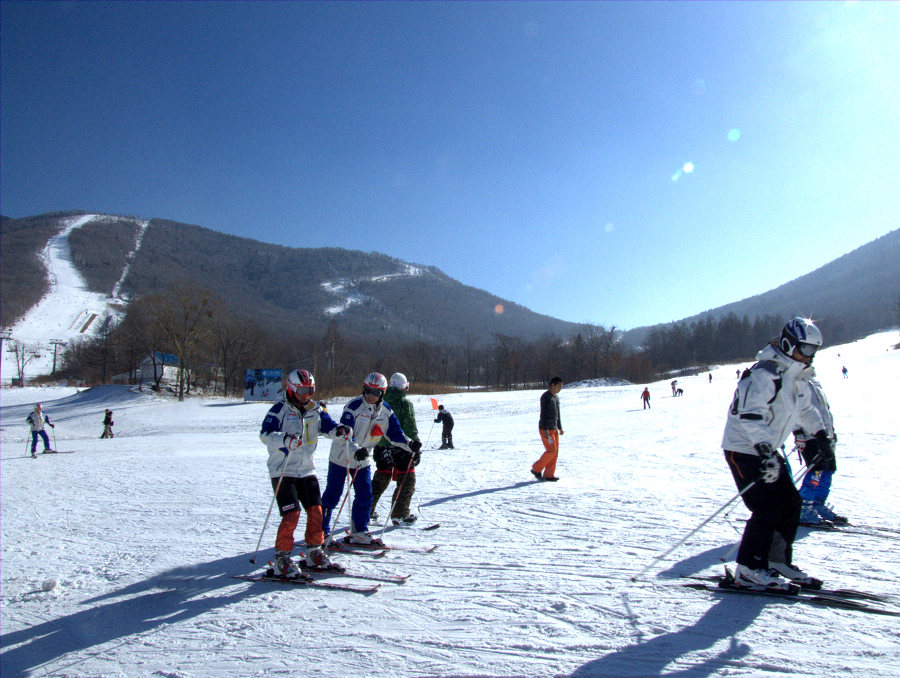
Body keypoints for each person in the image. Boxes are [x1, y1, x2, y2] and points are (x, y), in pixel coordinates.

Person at [722, 317, 831, 590]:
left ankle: (775, 560)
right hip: (744, 448)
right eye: (805, 349)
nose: (809, 356)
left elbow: (805, 411)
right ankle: (748, 568)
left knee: (790, 503)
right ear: (788, 343)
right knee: (766, 507)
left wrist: (821, 437)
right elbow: (748, 416)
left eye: (813, 351)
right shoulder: (765, 374)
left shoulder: (796, 377)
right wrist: (763, 452)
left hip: (766, 448)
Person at [259, 369, 350, 578]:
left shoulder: (314, 410)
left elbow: (330, 427)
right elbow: (265, 434)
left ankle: (313, 552)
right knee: (292, 514)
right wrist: (284, 439)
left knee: (316, 511)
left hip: (306, 469)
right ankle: (281, 559)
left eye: (309, 390)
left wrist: (341, 431)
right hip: (283, 469)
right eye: (301, 390)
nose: (306, 394)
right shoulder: (279, 409)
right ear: (291, 389)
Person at [320, 372, 421, 546]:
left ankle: (359, 530)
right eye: (367, 391)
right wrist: (355, 449)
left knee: (365, 495)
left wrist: (410, 444)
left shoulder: (386, 411)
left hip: (362, 460)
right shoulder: (353, 407)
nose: (370, 396)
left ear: (382, 393)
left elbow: (395, 434)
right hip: (341, 456)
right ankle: (320, 531)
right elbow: (346, 433)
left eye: (375, 393)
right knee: (333, 495)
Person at [372, 372, 422, 525]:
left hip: (381, 447)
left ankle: (366, 509)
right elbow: (409, 428)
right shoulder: (404, 403)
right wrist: (415, 445)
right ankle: (400, 513)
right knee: (406, 481)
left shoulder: (379, 401)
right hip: (401, 448)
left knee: (380, 479)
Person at [794, 378, 845, 525]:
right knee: (817, 470)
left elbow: (824, 409)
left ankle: (817, 504)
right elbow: (793, 410)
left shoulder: (814, 382)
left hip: (825, 435)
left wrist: (831, 431)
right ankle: (803, 507)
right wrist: (798, 432)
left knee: (828, 470)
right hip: (810, 436)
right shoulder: (795, 381)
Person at [531, 376, 564, 482]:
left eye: (561, 386)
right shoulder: (546, 397)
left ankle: (549, 475)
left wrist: (560, 427)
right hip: (546, 428)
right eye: (558, 386)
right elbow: (543, 414)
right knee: (551, 451)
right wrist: (545, 429)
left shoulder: (556, 397)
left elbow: (558, 414)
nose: (560, 389)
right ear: (553, 385)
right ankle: (536, 469)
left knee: (555, 452)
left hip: (554, 428)